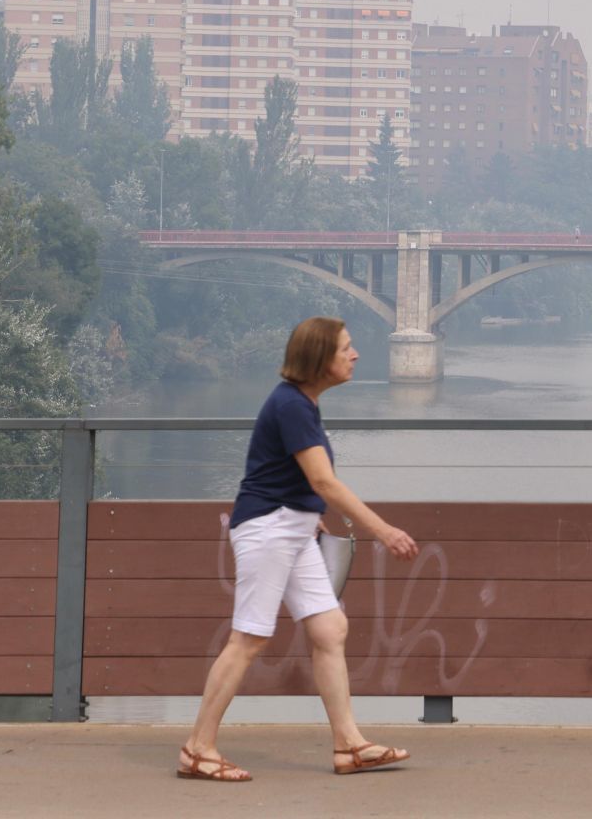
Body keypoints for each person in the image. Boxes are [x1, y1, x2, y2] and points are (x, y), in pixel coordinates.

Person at [177, 316, 420, 783]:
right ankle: (197, 748)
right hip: (269, 530)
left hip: (294, 527)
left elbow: (296, 479)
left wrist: (311, 515)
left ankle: (349, 746)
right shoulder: (291, 406)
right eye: (346, 348)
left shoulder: (302, 404)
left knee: (330, 628)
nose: (355, 355)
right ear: (319, 359)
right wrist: (383, 530)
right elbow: (323, 479)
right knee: (248, 639)